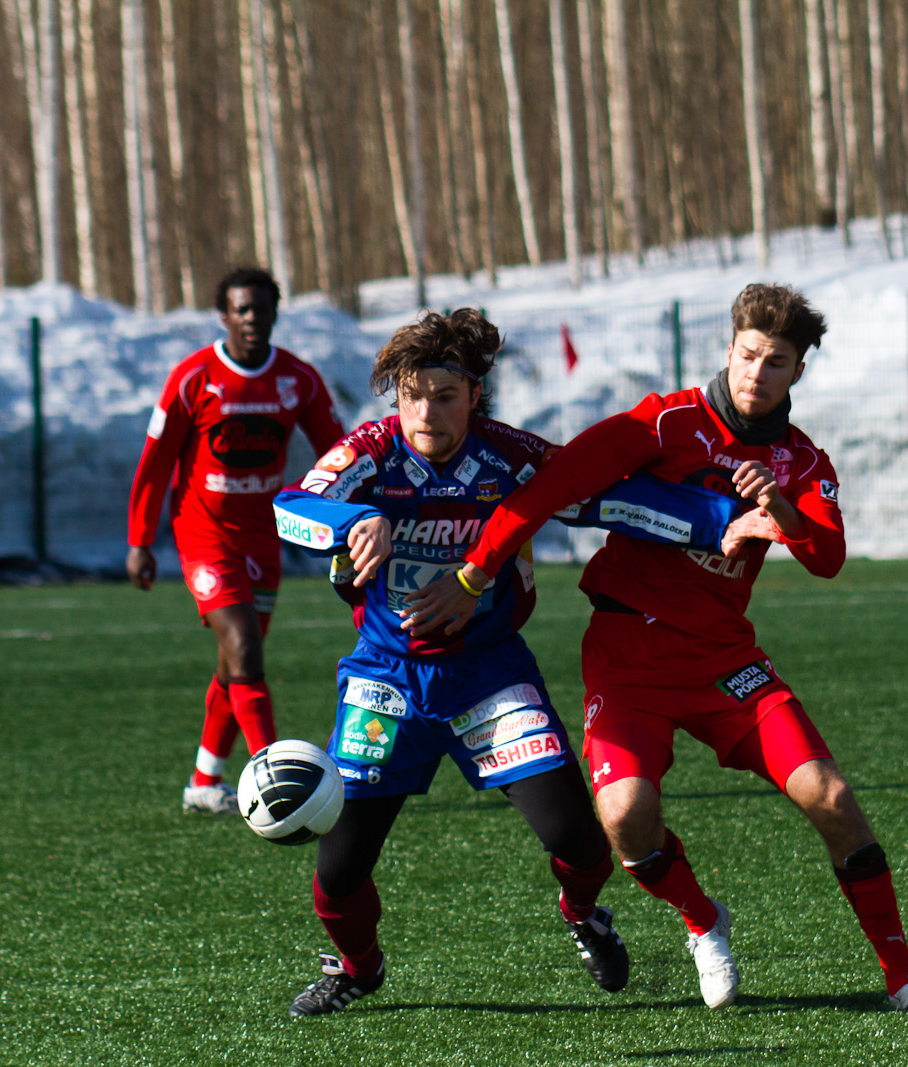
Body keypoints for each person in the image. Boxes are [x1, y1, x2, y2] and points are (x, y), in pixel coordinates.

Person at [408, 284, 908, 1014]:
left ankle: (902, 975)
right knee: (625, 816)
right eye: (749, 355)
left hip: (724, 660)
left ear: (798, 371)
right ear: (729, 350)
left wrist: (780, 507)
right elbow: (551, 486)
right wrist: (474, 574)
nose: (758, 372)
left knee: (831, 796)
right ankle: (703, 919)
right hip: (627, 654)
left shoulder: (800, 461)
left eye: (777, 362)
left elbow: (828, 557)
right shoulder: (666, 422)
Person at [271, 308, 746, 1018]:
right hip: (386, 679)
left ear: (475, 395)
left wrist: (720, 518)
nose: (425, 412)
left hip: (489, 675)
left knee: (581, 843)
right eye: (411, 396)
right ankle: (359, 967)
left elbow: (602, 495)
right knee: (339, 871)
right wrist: (353, 519)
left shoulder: (511, 457)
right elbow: (291, 507)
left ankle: (582, 913)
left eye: (444, 395)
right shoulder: (369, 452)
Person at [125, 267, 345, 812]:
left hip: (262, 536)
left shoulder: (298, 379)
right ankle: (276, 785)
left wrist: (354, 516)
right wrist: (140, 540)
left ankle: (204, 782)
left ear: (275, 312)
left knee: (236, 661)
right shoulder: (193, 377)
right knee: (244, 647)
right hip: (203, 531)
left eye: (261, 308)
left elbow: (340, 451)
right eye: (241, 310)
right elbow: (156, 461)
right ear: (224, 316)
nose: (252, 319)